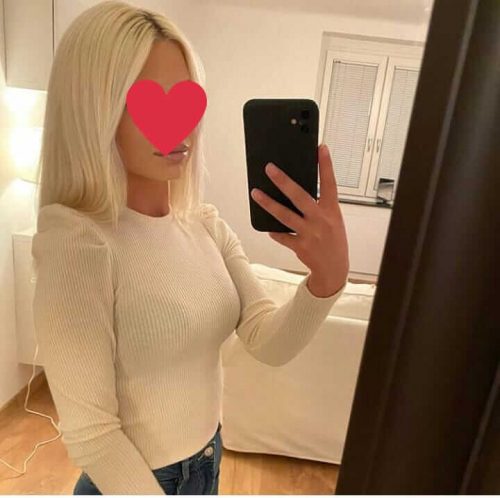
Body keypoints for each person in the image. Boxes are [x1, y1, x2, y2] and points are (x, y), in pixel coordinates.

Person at [31, 1, 349, 495]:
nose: (176, 124)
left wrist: (327, 279)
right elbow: (93, 436)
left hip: (205, 463)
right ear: (94, 110)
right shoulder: (75, 242)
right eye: (145, 101)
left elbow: (266, 340)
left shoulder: (204, 224)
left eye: (185, 98)